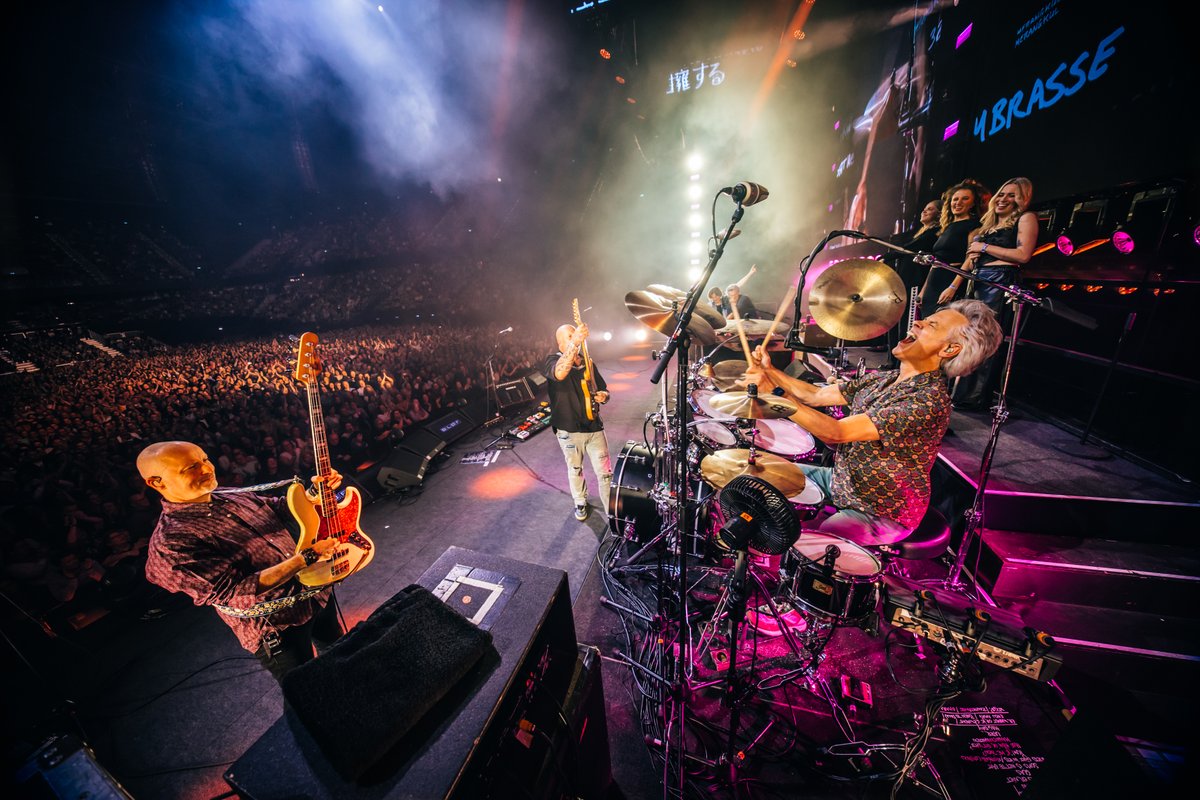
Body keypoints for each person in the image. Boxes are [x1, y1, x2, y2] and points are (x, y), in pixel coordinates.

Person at [741, 299, 1002, 546]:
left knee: (810, 547)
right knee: (757, 475)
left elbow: (836, 433)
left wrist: (772, 396)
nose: (918, 323)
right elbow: (816, 395)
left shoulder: (926, 401)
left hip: (881, 510)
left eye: (931, 325)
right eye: (925, 320)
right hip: (844, 482)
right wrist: (770, 371)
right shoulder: (884, 379)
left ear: (949, 349)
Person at [139, 440, 344, 682]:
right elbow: (236, 590)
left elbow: (279, 510)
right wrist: (307, 557)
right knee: (307, 689)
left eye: (205, 459)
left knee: (342, 656)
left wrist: (313, 494)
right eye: (191, 467)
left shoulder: (227, 495)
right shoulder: (171, 541)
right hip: (277, 626)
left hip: (315, 595)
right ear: (156, 482)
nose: (207, 469)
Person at [938, 177, 1037, 410]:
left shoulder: (1025, 218)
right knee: (966, 337)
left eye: (1011, 195)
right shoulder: (987, 224)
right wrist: (953, 286)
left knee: (985, 340)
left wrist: (984, 248)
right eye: (1001, 194)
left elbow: (1023, 255)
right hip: (978, 280)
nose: (1003, 199)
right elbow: (969, 260)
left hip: (1000, 281)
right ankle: (959, 393)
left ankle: (974, 397)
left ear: (1021, 199)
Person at [543, 323, 612, 522]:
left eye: (576, 334)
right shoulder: (551, 360)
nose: (577, 338)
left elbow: (604, 390)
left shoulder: (588, 362)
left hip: (594, 427)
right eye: (570, 336)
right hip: (569, 430)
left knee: (605, 473)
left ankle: (611, 510)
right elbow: (559, 373)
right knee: (575, 469)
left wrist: (603, 396)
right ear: (560, 342)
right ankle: (580, 501)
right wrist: (575, 342)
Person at [920, 182, 987, 317]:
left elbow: (969, 259)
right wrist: (923, 290)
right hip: (934, 281)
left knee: (943, 323)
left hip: (951, 279)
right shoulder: (948, 226)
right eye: (955, 199)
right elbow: (936, 260)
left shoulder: (974, 225)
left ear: (973, 203)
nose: (958, 202)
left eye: (965, 199)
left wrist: (953, 287)